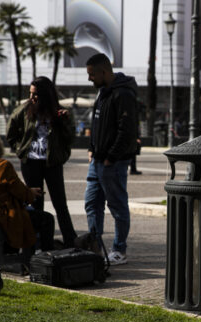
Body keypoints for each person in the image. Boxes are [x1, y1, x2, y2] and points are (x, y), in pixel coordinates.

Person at [0, 131, 55, 268]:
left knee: (30, 216)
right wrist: (30, 193)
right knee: (46, 219)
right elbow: (19, 191)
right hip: (2, 219)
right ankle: (47, 262)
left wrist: (27, 192)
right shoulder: (2, 166)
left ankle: (29, 261)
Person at [6, 76, 77, 248]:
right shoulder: (23, 111)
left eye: (36, 94)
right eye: (30, 93)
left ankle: (71, 241)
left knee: (60, 204)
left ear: (47, 94)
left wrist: (64, 122)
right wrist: (20, 150)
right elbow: (11, 134)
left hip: (52, 163)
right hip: (31, 163)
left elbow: (70, 138)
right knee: (35, 204)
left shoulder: (61, 111)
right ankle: (36, 241)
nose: (32, 98)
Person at [84, 53, 139, 265]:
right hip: (97, 160)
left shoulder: (123, 94)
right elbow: (97, 125)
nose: (89, 79)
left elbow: (127, 131)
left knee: (117, 206)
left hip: (112, 163)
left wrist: (110, 157)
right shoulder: (103, 93)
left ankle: (119, 250)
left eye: (92, 74)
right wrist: (92, 149)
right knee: (92, 203)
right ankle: (95, 246)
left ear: (104, 72)